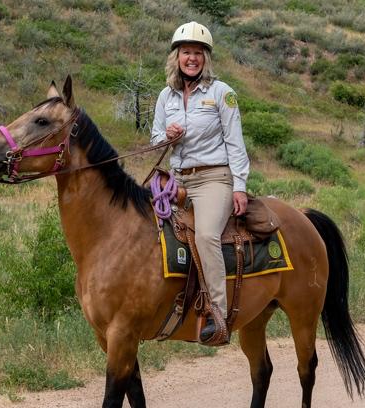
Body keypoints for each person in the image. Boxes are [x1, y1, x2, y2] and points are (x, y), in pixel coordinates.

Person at [151, 21, 250, 343]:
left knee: (206, 235)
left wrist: (239, 186)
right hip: (176, 180)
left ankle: (218, 314)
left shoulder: (223, 93)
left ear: (206, 58)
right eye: (185, 53)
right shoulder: (166, 96)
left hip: (213, 179)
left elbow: (235, 144)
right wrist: (166, 136)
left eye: (197, 53)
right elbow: (154, 138)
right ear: (176, 58)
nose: (191, 58)